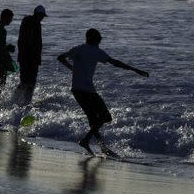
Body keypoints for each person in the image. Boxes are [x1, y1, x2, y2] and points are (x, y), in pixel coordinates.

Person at [57, 28, 149, 156]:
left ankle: (100, 147)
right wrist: (135, 70)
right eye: (99, 39)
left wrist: (71, 68)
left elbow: (60, 57)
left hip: (76, 89)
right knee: (106, 117)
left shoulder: (78, 49)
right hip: (87, 90)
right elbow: (115, 63)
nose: (100, 41)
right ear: (94, 39)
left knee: (93, 120)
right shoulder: (96, 51)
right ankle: (86, 141)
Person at [15, 5, 47, 105]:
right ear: (37, 14)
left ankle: (18, 99)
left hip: (27, 57)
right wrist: (34, 58)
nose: (42, 18)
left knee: (26, 81)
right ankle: (25, 101)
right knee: (29, 82)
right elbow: (30, 43)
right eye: (41, 16)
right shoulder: (33, 24)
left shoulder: (29, 23)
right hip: (29, 58)